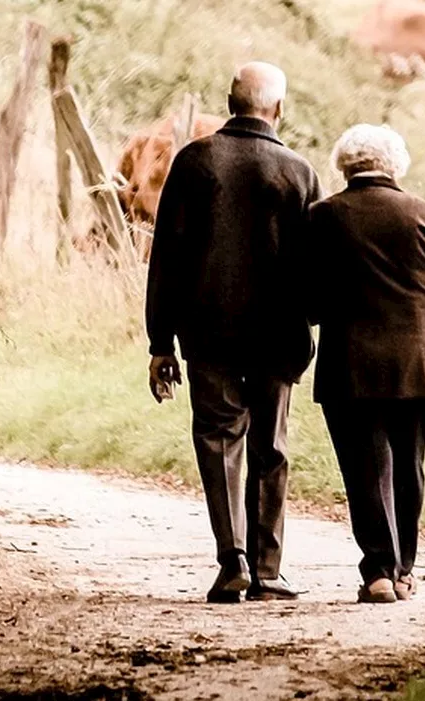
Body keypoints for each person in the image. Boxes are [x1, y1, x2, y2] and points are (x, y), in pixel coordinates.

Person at [145, 62, 322, 604]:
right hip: (278, 335)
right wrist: (310, 321)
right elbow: (314, 264)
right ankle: (269, 571)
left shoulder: (195, 162)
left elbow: (166, 258)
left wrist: (160, 343)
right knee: (271, 445)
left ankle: (233, 562)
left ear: (229, 101)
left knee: (220, 441)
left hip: (208, 333)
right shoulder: (298, 171)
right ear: (279, 110)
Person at [307, 124, 425, 604]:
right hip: (421, 363)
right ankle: (404, 569)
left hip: (349, 363)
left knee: (365, 467)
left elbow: (309, 299)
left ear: (344, 164)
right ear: (394, 165)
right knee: (410, 465)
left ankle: (378, 571)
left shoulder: (323, 217)